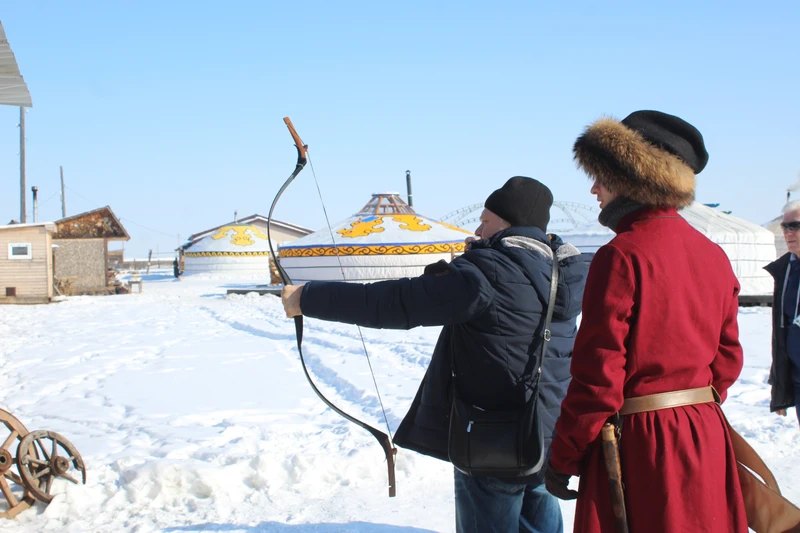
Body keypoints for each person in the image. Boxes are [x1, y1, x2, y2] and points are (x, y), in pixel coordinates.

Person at [281, 176, 590, 533]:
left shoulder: (487, 272)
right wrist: (475, 259)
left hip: (494, 436)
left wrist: (307, 297)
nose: (477, 227)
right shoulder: (562, 269)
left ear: (506, 224)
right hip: (548, 431)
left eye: (486, 220)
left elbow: (396, 302)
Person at [545, 111, 748, 532]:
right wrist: (693, 412)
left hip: (642, 445)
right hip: (705, 433)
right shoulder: (713, 255)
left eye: (602, 175)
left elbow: (598, 378)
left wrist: (566, 454)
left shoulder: (621, 255)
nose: (594, 188)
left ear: (630, 177)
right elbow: (727, 362)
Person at [765, 200, 800, 426]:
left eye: (795, 226)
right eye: (784, 227)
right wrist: (780, 385)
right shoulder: (785, 270)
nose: (788, 233)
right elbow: (781, 331)